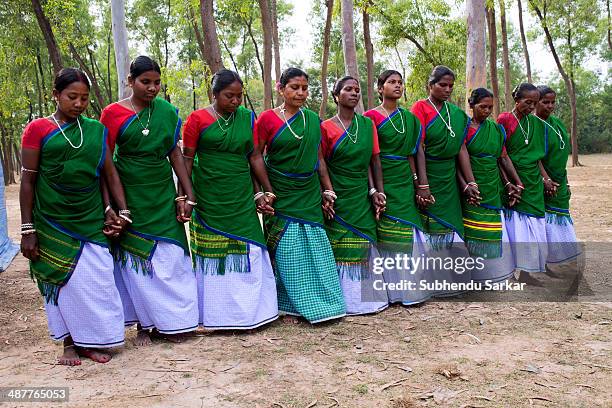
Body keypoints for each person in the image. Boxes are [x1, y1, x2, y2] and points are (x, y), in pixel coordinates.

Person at [20, 68, 129, 365]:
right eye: (72, 97)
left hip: (90, 217)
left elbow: (108, 173)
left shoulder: (95, 130)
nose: (79, 103)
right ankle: (69, 343)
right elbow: (28, 180)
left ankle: (93, 340)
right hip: (52, 218)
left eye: (84, 98)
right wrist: (27, 229)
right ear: (55, 95)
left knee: (98, 279)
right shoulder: (37, 129)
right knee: (64, 282)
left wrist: (121, 210)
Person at [100, 56, 198, 344]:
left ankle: (178, 322)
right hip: (128, 189)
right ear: (130, 81)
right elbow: (104, 161)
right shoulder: (112, 113)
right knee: (138, 259)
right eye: (145, 82)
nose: (153, 88)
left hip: (161, 190)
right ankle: (146, 324)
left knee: (170, 257)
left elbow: (174, 153)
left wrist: (187, 193)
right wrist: (111, 204)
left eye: (157, 82)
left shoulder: (167, 112)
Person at [182, 69, 278, 329]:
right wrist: (185, 196)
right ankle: (218, 315)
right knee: (215, 252)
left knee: (251, 247)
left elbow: (255, 156)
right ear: (214, 94)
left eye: (239, 96)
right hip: (210, 193)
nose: (235, 102)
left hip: (240, 193)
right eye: (228, 96)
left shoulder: (247, 118)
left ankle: (254, 313)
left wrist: (265, 189)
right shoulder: (197, 119)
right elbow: (187, 159)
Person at [255, 67, 346, 323]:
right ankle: (288, 306)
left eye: (305, 88)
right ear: (280, 88)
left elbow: (319, 159)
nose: (301, 92)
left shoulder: (312, 120)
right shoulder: (267, 120)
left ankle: (325, 304)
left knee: (316, 247)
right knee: (287, 250)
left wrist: (327, 188)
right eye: (295, 87)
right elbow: (255, 157)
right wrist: (265, 191)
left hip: (308, 192)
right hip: (281, 192)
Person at [321, 76, 388, 314]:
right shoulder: (325, 127)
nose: (354, 93)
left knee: (364, 241)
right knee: (338, 243)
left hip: (361, 194)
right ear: (336, 95)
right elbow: (322, 163)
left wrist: (376, 191)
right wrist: (327, 191)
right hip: (338, 193)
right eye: (348, 89)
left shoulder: (368, 125)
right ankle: (343, 300)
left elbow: (374, 160)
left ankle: (368, 300)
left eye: (358, 90)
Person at [364, 70, 431, 305]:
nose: (398, 86)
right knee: (386, 231)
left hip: (403, 178)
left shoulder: (410, 118)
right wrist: (374, 189)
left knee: (409, 231)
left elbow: (415, 153)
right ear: (380, 88)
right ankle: (391, 292)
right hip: (381, 176)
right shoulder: (369, 117)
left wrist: (420, 184)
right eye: (392, 82)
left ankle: (411, 291)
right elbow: (369, 156)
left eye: (400, 82)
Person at [411, 66, 476, 295]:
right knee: (434, 227)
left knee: (454, 227)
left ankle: (456, 281)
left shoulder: (457, 114)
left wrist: (470, 182)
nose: (447, 89)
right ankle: (436, 283)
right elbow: (417, 146)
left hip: (449, 178)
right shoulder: (420, 108)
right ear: (431, 85)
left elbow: (461, 149)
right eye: (442, 85)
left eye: (450, 85)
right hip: (428, 172)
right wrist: (422, 184)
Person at [460, 88, 520, 283]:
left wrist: (514, 182)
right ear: (471, 105)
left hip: (493, 185)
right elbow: (458, 160)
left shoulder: (495, 129)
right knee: (474, 228)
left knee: (493, 227)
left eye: (490, 108)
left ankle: (497, 273)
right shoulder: (464, 129)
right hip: (473, 185)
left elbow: (502, 159)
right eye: (482, 106)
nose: (486, 111)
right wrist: (466, 184)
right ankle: (477, 275)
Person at [497, 83, 549, 284]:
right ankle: (512, 271)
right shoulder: (505, 119)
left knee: (533, 228)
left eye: (535, 103)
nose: (532, 107)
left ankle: (527, 272)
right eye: (528, 102)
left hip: (532, 181)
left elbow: (537, 157)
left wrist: (545, 178)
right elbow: (500, 154)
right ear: (516, 100)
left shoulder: (534, 123)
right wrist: (509, 182)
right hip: (512, 181)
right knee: (515, 229)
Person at [535, 85, 580, 269]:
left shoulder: (557, 123)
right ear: (535, 102)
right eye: (545, 102)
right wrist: (545, 179)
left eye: (553, 102)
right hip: (543, 181)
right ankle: (544, 261)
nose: (550, 106)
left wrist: (565, 181)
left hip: (560, 179)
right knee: (545, 220)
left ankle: (558, 257)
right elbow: (534, 157)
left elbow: (561, 156)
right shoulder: (533, 125)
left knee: (560, 215)